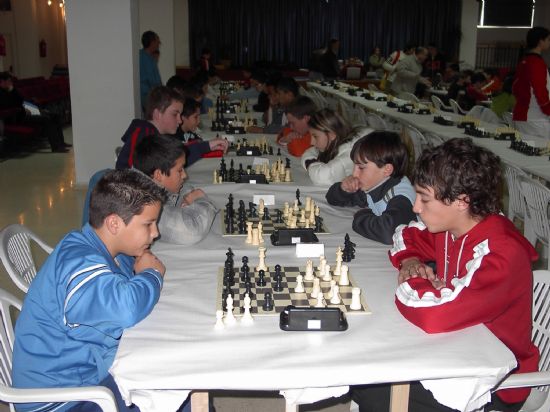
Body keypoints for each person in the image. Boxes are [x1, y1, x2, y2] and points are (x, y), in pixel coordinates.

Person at [353, 138, 539, 411]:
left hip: (496, 379)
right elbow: (404, 236)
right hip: (458, 347)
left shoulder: (501, 252)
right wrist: (411, 261)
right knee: (368, 371)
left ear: (462, 201)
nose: (416, 207)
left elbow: (434, 315)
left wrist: (415, 281)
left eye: (424, 199)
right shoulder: (454, 226)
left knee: (374, 391)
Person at [12, 169, 168, 412]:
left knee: (167, 373)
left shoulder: (105, 249)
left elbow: (124, 288)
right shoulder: (78, 261)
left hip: (81, 374)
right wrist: (152, 274)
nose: (156, 233)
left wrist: (143, 271)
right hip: (60, 400)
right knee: (175, 395)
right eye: (148, 224)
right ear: (114, 223)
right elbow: (125, 308)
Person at [325, 131, 416, 245]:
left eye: (361, 168)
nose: (354, 173)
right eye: (354, 166)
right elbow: (332, 198)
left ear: (387, 170)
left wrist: (362, 215)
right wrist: (344, 189)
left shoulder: (401, 197)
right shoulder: (375, 184)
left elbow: (388, 232)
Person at [133, 134, 217, 245]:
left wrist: (188, 197)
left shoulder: (148, 179)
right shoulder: (143, 203)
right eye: (179, 170)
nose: (184, 175)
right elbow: (192, 232)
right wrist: (202, 200)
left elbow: (184, 188)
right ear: (158, 175)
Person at [0, 71, 71, 152]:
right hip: (17, 118)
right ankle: (56, 147)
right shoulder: (1, 93)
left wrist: (13, 90)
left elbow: (21, 100)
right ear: (2, 81)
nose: (11, 83)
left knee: (55, 116)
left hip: (25, 112)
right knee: (46, 119)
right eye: (9, 81)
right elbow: (8, 105)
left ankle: (61, 143)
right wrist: (23, 108)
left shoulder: (10, 90)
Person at [116, 86, 183, 170]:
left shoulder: (158, 136)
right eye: (175, 114)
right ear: (157, 114)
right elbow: (125, 168)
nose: (180, 121)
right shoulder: (144, 134)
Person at [301, 108, 371, 186]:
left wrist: (310, 163)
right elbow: (311, 151)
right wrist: (310, 161)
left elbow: (323, 177)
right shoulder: (337, 143)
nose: (311, 142)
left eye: (315, 136)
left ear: (332, 135)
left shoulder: (351, 152)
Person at [512, 26, 550, 139]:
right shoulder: (536, 63)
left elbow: (515, 88)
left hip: (522, 116)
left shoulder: (524, 61)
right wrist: (548, 110)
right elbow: (540, 91)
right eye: (548, 39)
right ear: (540, 41)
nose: (549, 43)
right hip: (535, 119)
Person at [173, 98, 228, 166]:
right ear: (183, 117)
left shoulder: (190, 134)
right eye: (195, 117)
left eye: (199, 116)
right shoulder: (174, 137)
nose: (199, 121)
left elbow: (200, 144)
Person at [139, 30, 162, 110]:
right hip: (148, 98)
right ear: (152, 42)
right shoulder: (142, 57)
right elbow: (152, 81)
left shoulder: (150, 58)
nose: (159, 43)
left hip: (152, 97)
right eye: (157, 40)